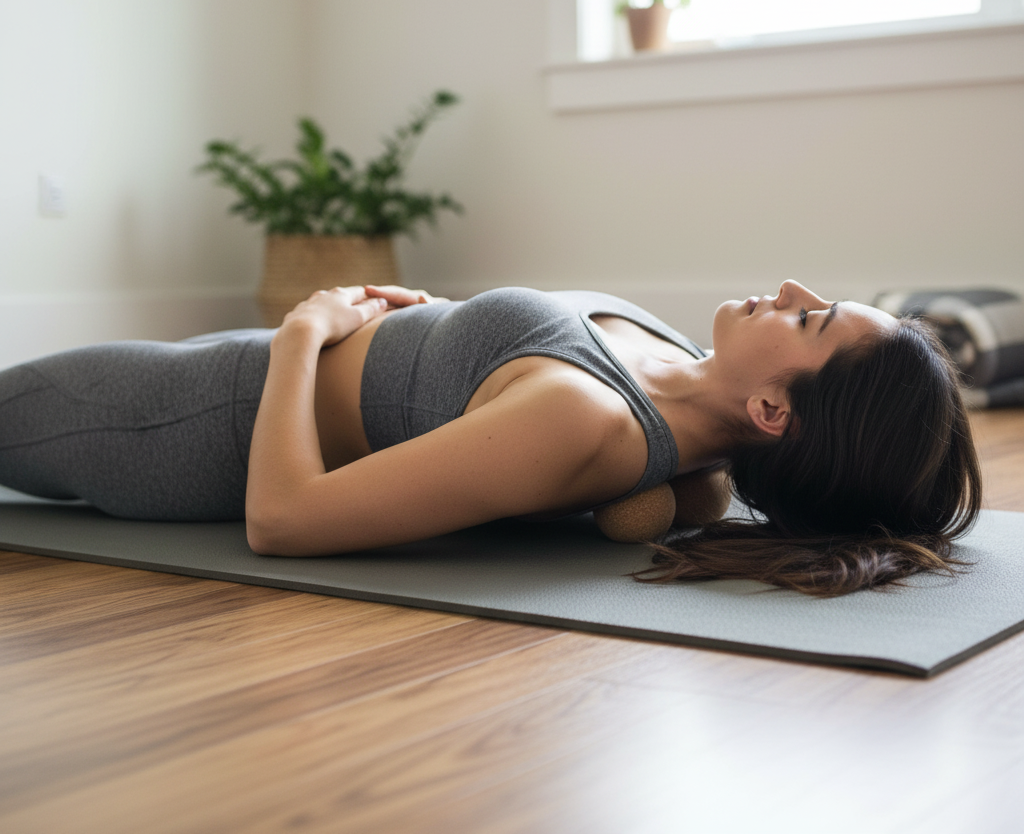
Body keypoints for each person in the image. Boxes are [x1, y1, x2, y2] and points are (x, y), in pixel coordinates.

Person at [0, 280, 980, 597]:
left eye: (810, 321)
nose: (795, 289)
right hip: (230, 363)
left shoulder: (586, 423)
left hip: (180, 416)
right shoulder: (688, 389)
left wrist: (304, 331)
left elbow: (283, 519)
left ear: (772, 413)